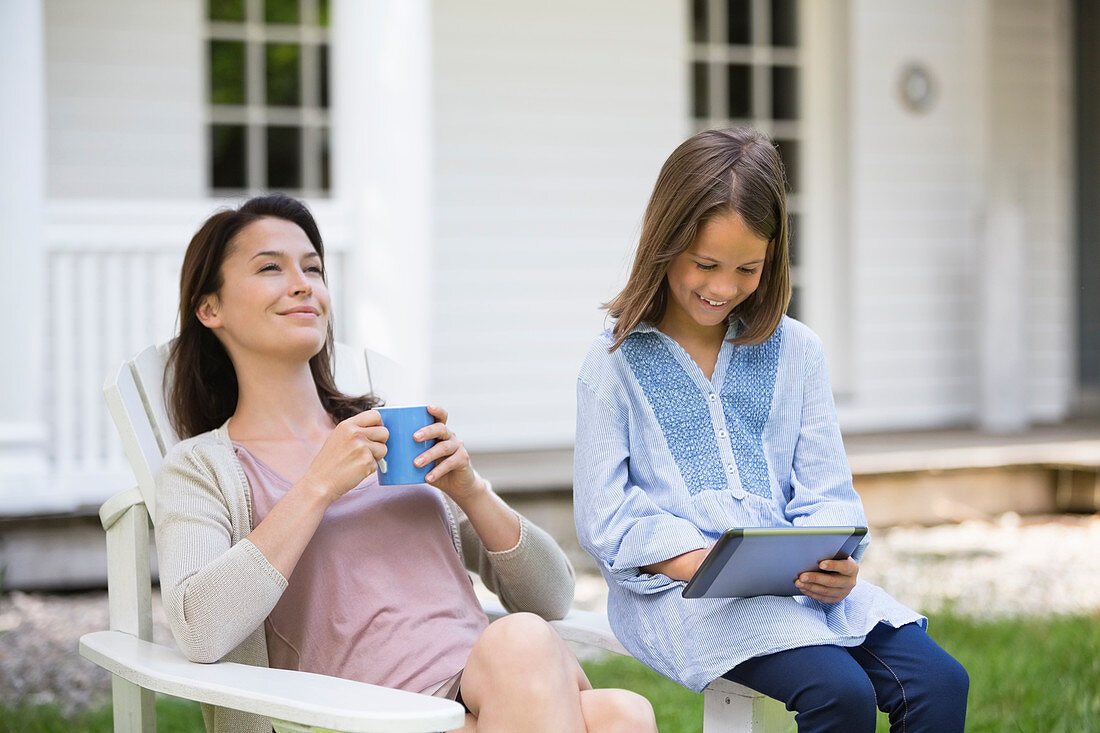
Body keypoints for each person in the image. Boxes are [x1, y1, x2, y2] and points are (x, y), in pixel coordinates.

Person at [156, 193, 657, 733]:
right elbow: (199, 628)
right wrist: (317, 487)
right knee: (613, 710)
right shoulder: (202, 468)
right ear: (211, 308)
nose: (303, 284)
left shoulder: (392, 438)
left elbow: (552, 595)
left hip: (487, 688)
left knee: (607, 700)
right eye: (270, 268)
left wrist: (470, 491)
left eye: (313, 269)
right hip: (368, 717)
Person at [572, 128, 969, 732]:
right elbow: (605, 516)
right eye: (705, 264)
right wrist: (705, 560)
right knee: (840, 694)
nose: (723, 288)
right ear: (664, 242)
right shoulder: (614, 362)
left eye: (747, 268)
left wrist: (834, 564)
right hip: (681, 597)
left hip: (800, 589)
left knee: (941, 682)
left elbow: (828, 492)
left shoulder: (797, 351)